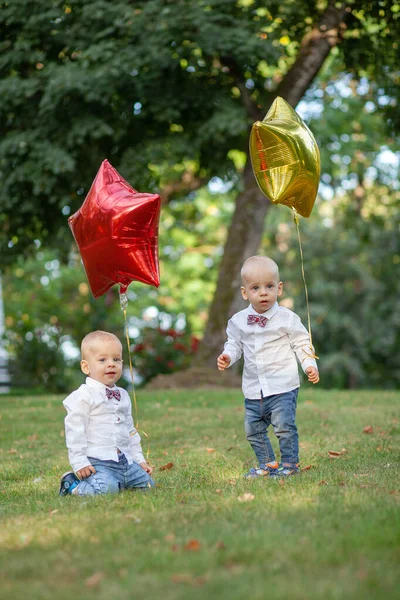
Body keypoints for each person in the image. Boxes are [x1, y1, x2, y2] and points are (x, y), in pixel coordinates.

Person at [217, 255, 319, 478]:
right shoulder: (238, 321)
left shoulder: (287, 319)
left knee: (284, 427)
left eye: (269, 286)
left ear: (279, 288)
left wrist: (309, 364)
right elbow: (234, 344)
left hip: (283, 385)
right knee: (253, 429)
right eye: (255, 288)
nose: (263, 292)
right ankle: (268, 464)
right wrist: (227, 356)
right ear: (245, 293)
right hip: (254, 388)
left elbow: (302, 342)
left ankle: (290, 465)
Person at [59, 330, 154, 496]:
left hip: (124, 461)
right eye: (102, 360)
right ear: (86, 366)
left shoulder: (123, 395)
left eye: (116, 359)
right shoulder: (83, 396)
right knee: (106, 490)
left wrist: (139, 459)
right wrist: (79, 462)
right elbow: (75, 431)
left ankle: (120, 481)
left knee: (148, 484)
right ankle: (73, 486)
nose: (111, 364)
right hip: (98, 462)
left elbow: (130, 430)